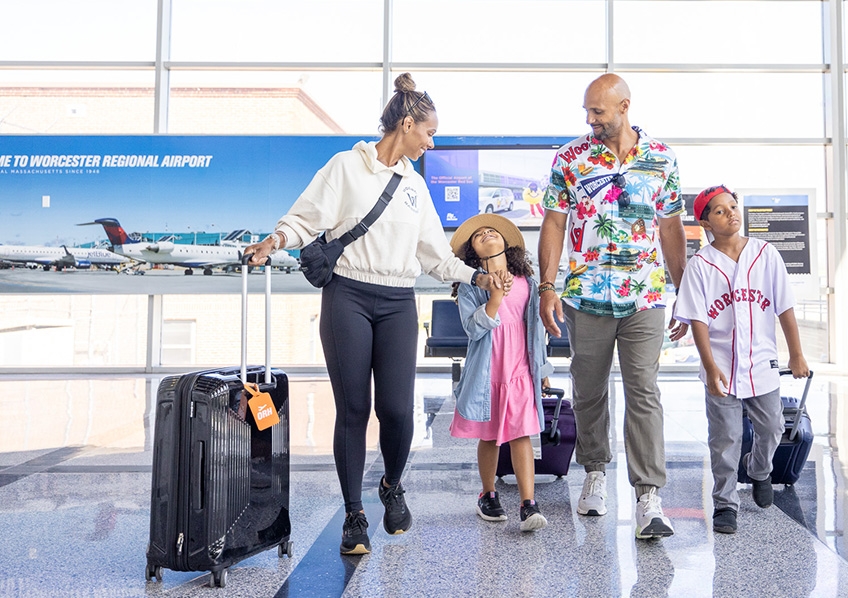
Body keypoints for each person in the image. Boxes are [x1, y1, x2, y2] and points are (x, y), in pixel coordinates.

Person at [243, 73, 506, 555]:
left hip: (398, 301)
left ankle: (391, 484)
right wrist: (274, 241)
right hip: (347, 295)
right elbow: (305, 218)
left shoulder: (415, 187)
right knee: (355, 409)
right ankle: (353, 515)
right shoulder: (346, 167)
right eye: (428, 132)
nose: (432, 142)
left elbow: (434, 256)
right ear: (406, 124)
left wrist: (477, 277)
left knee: (397, 410)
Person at [537, 73, 688, 540]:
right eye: (587, 111)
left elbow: (670, 230)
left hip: (644, 294)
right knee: (588, 389)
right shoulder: (570, 158)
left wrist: (685, 294)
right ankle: (595, 473)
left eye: (598, 111)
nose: (590, 119)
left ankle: (648, 496)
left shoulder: (662, 159)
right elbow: (555, 223)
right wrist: (547, 285)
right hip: (586, 296)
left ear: (624, 106)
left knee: (644, 390)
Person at [672, 185, 810, 535]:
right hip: (720, 364)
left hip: (761, 362)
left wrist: (795, 353)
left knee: (773, 428)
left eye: (733, 206)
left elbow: (785, 307)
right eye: (719, 211)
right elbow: (698, 319)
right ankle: (725, 504)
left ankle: (760, 470)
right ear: (706, 222)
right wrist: (709, 365)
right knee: (725, 438)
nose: (731, 213)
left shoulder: (766, 253)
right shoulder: (700, 264)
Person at [448, 213, 553, 532]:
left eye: (491, 231)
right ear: (472, 255)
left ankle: (528, 503)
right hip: (488, 373)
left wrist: (543, 368)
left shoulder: (527, 284)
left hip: (520, 370)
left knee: (521, 434)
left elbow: (536, 330)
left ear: (509, 246)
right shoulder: (470, 288)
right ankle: (488, 494)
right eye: (477, 235)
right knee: (490, 436)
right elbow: (473, 328)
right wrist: (494, 296)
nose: (486, 233)